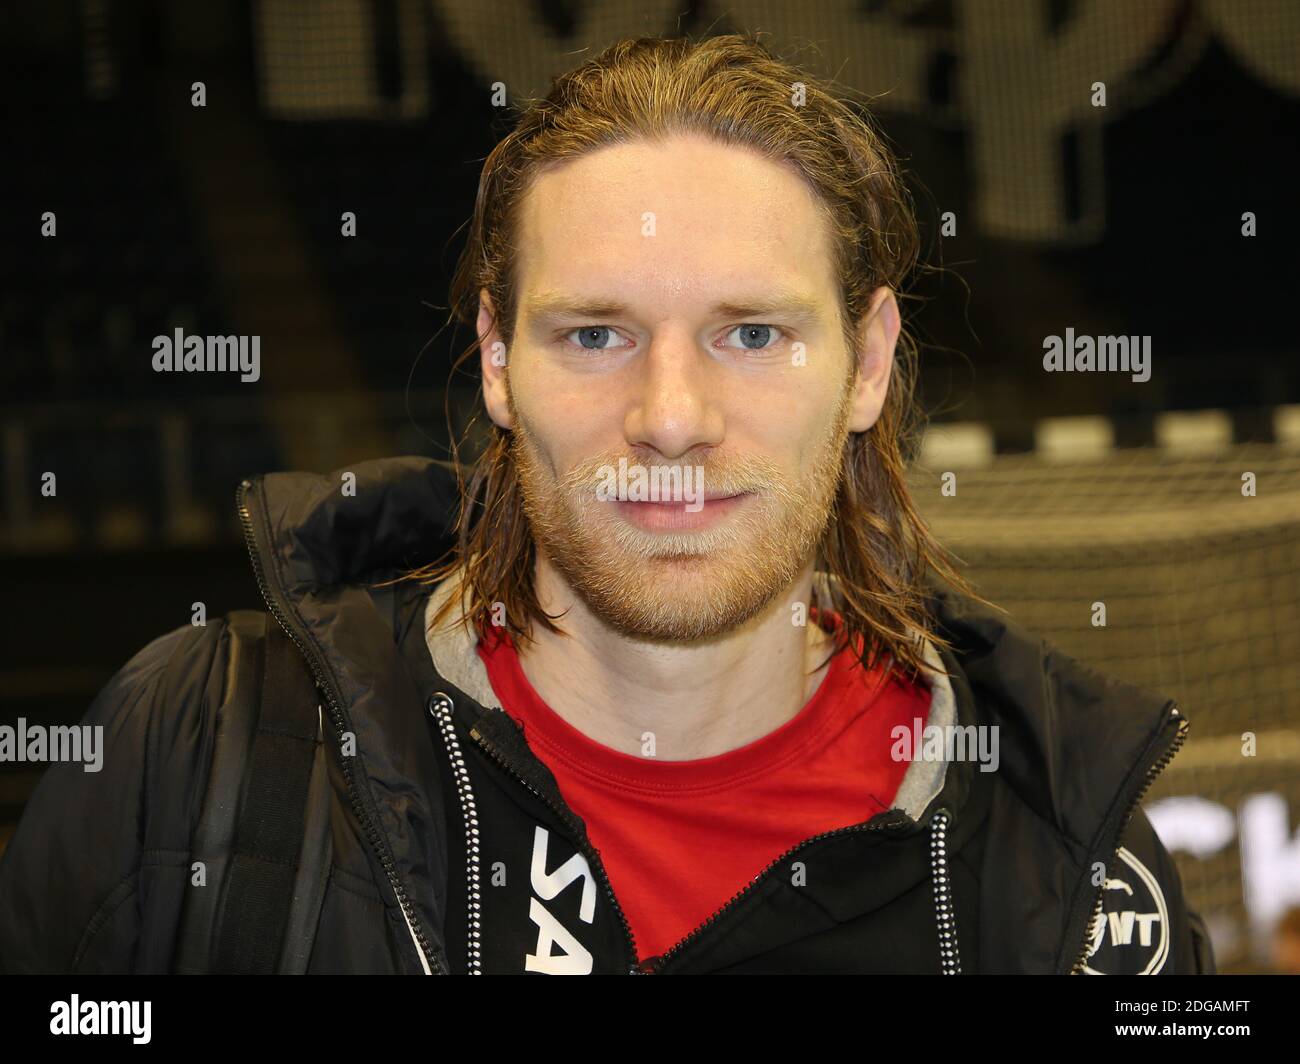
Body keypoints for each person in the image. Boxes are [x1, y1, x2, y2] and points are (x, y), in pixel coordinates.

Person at [0, 33, 1214, 974]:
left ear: (869, 362)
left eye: (751, 331)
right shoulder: (197, 750)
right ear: (494, 357)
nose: (671, 414)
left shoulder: (1075, 880)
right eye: (594, 332)